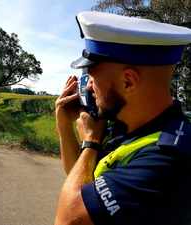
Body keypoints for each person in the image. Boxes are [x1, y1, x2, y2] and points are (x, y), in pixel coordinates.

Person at [54, 11, 191, 225]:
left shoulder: (168, 160)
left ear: (128, 82)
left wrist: (91, 142)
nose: (89, 86)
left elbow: (70, 218)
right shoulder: (129, 126)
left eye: (92, 75)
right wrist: (64, 125)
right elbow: (83, 182)